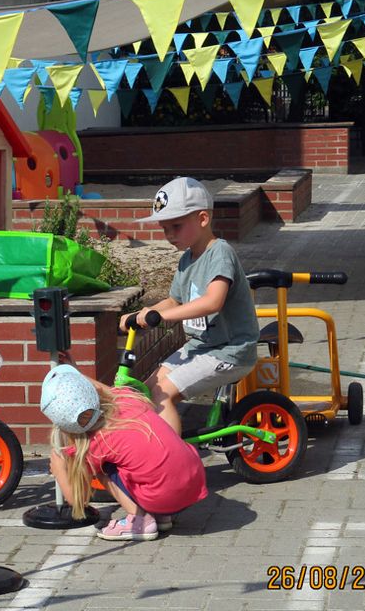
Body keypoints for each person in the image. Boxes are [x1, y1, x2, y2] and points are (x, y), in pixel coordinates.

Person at [121, 176, 259, 435]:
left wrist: (164, 317)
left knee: (163, 397)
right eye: (165, 228)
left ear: (203, 219)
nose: (169, 235)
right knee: (148, 391)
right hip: (201, 348)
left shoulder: (220, 253)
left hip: (229, 351)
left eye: (176, 226)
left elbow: (212, 301)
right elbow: (174, 300)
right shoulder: (187, 259)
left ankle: (174, 463)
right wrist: (141, 314)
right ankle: (155, 452)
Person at [41, 359, 208, 541]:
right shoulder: (127, 400)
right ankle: (161, 515)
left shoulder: (95, 444)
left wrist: (60, 470)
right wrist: (76, 373)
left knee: (105, 470)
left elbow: (78, 502)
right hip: (194, 487)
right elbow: (104, 390)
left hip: (165, 497)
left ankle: (141, 521)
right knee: (145, 460)